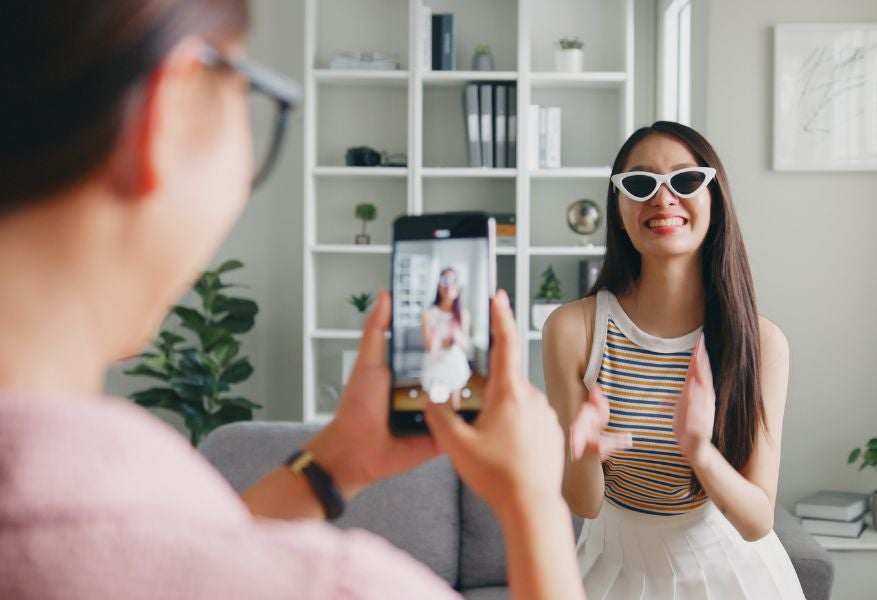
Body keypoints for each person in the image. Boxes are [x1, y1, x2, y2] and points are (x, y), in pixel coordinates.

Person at [0, 2, 584, 598]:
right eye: (249, 90)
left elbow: (202, 563)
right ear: (166, 114)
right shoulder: (339, 585)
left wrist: (333, 465)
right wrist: (534, 501)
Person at [542, 121, 806, 599]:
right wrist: (586, 447)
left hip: (729, 571)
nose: (663, 200)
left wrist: (699, 450)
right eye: (641, 185)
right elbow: (585, 501)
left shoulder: (762, 343)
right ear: (618, 210)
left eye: (685, 181)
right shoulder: (573, 329)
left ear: (714, 201)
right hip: (612, 566)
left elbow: (757, 519)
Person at [421, 268, 473, 406]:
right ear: (438, 286)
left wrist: (456, 335)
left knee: (454, 405)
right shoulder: (428, 313)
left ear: (458, 287)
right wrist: (439, 340)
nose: (449, 285)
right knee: (434, 406)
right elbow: (427, 345)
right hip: (435, 363)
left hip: (454, 363)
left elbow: (465, 346)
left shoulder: (463, 314)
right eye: (444, 281)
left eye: (453, 281)